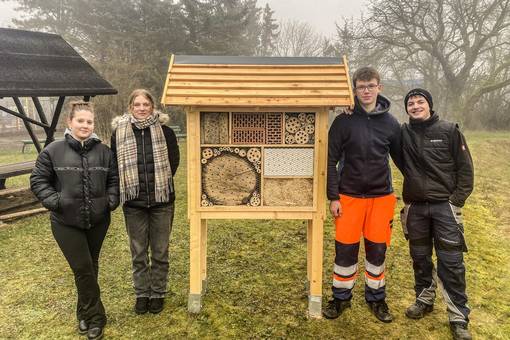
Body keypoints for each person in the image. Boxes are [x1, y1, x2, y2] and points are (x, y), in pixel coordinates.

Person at [30, 101, 119, 340]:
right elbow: (38, 181)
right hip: (65, 221)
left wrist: (110, 201)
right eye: (80, 121)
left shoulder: (104, 151)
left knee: (90, 266)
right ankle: (97, 317)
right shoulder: (52, 150)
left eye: (89, 121)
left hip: (98, 219)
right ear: (69, 122)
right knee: (82, 267)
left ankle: (83, 312)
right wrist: (56, 201)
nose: (85, 125)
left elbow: (113, 180)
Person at [323, 67, 402, 322]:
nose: (366, 91)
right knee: (345, 253)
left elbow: (403, 160)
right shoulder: (344, 121)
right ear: (354, 90)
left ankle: (376, 300)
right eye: (361, 87)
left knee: (377, 252)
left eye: (371, 86)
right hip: (349, 197)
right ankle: (340, 298)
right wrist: (333, 197)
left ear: (379, 87)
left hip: (381, 198)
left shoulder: (391, 123)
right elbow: (330, 160)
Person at [400, 88, 474, 340]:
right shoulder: (403, 134)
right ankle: (424, 299)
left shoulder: (450, 131)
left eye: (420, 101)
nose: (415, 105)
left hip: (445, 208)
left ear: (429, 105)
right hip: (416, 207)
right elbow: (376, 125)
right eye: (410, 103)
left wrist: (455, 201)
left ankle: (458, 317)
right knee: (420, 257)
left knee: (451, 262)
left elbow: (466, 171)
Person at [111, 89, 180, 315]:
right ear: (130, 107)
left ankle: (158, 294)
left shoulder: (166, 132)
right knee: (138, 253)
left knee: (160, 252)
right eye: (137, 104)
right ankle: (142, 294)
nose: (141, 108)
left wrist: (159, 184)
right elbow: (114, 166)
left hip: (162, 203)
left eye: (146, 104)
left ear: (152, 106)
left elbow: (174, 163)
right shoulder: (118, 134)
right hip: (134, 204)